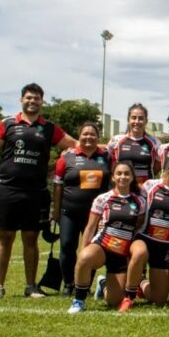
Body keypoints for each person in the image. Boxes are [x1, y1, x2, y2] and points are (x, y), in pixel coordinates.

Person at [0, 83, 76, 300]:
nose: (32, 101)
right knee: (5, 237)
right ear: (21, 100)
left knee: (31, 239)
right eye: (29, 98)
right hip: (7, 189)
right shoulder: (7, 124)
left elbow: (75, 145)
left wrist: (105, 147)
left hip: (35, 192)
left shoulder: (49, 128)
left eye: (37, 98)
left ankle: (31, 286)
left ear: (42, 101)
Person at [67, 161, 145, 314]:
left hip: (121, 254)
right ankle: (79, 300)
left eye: (127, 174)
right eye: (119, 173)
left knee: (113, 301)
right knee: (85, 257)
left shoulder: (140, 202)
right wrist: (83, 251)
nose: (123, 177)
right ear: (113, 178)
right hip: (103, 246)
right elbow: (90, 227)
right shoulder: (103, 199)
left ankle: (102, 283)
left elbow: (138, 226)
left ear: (132, 178)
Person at [122, 156, 169, 310]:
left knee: (159, 301)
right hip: (144, 238)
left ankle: (141, 282)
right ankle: (129, 297)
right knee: (139, 252)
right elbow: (138, 210)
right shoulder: (150, 185)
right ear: (168, 169)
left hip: (165, 246)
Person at [52, 121, 111, 295]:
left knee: (91, 249)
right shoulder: (67, 156)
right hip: (69, 212)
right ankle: (69, 284)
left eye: (92, 134)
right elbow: (57, 185)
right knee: (67, 246)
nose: (88, 137)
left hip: (95, 215)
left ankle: (84, 285)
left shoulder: (107, 156)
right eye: (85, 134)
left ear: (97, 138)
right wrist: (55, 211)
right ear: (79, 137)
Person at [108, 103, 161, 187]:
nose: (137, 121)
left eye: (141, 118)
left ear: (146, 121)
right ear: (128, 120)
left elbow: (157, 167)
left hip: (144, 190)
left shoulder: (155, 142)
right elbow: (108, 160)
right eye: (133, 118)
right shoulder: (116, 140)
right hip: (122, 189)